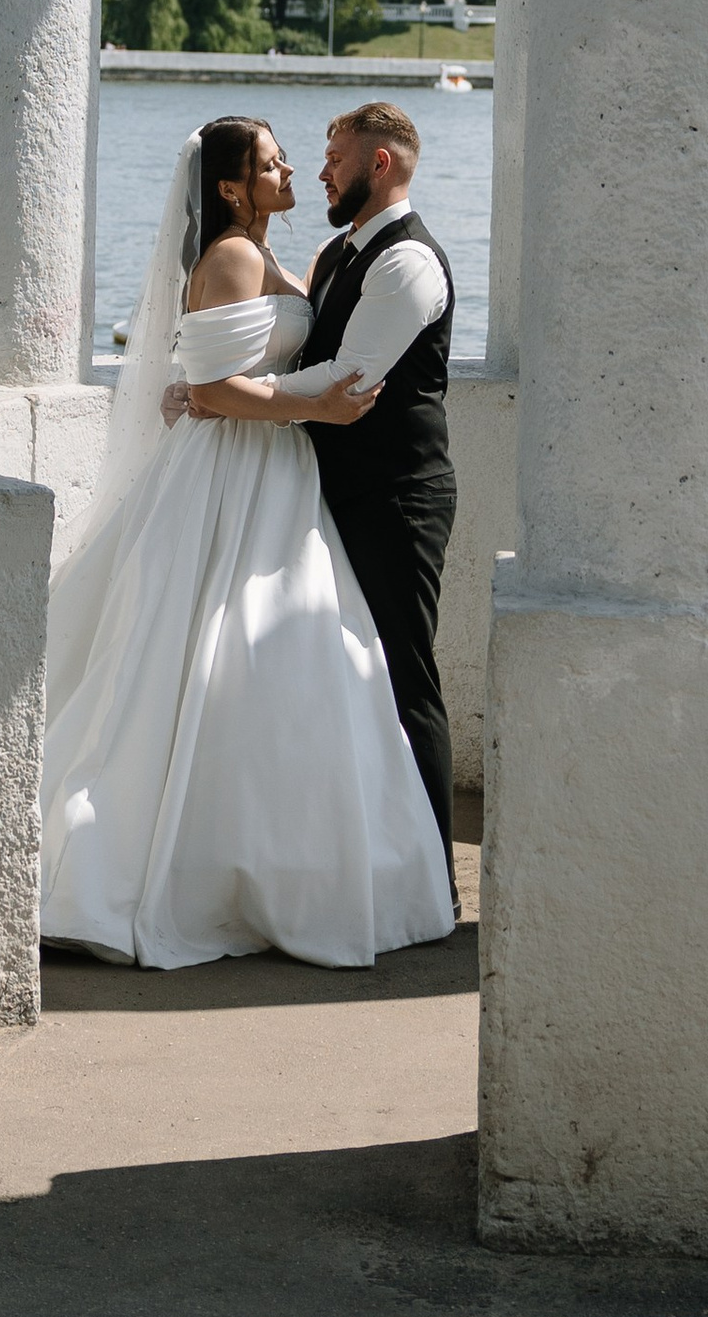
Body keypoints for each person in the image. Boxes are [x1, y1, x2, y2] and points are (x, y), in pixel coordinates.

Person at [38, 112, 457, 969]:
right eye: (273, 161)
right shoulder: (234, 256)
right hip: (235, 473)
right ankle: (186, 862)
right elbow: (215, 383)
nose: (298, 166)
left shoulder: (321, 257)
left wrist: (232, 394)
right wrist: (276, 402)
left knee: (292, 670)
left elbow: (243, 373)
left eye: (305, 157)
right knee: (203, 658)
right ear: (231, 186)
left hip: (291, 475)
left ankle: (282, 854)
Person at [179, 99, 457, 868]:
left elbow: (346, 380)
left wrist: (218, 392)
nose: (317, 169)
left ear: (379, 164)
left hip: (397, 495)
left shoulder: (408, 261)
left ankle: (433, 871)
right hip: (314, 488)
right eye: (294, 159)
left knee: (402, 675)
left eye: (333, 157)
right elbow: (290, 364)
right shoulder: (335, 255)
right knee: (335, 674)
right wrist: (205, 385)